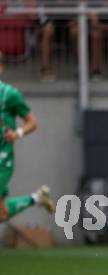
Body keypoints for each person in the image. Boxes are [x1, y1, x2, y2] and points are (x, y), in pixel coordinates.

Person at [0, 52, 54, 224]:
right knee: (1, 214)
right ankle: (36, 198)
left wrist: (17, 133)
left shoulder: (9, 94)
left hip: (2, 159)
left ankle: (36, 198)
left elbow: (32, 122)